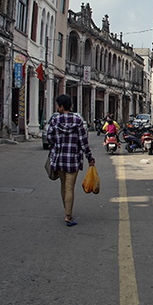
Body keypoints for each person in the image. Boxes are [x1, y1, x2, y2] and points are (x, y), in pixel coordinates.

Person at [46, 94, 96, 227]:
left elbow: (49, 137)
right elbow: (84, 142)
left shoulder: (55, 120)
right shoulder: (78, 120)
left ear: (62, 107)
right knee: (70, 187)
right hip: (73, 160)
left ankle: (66, 210)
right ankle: (68, 215)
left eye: (58, 106)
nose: (57, 108)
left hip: (59, 159)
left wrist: (57, 143)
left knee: (63, 186)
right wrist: (90, 157)